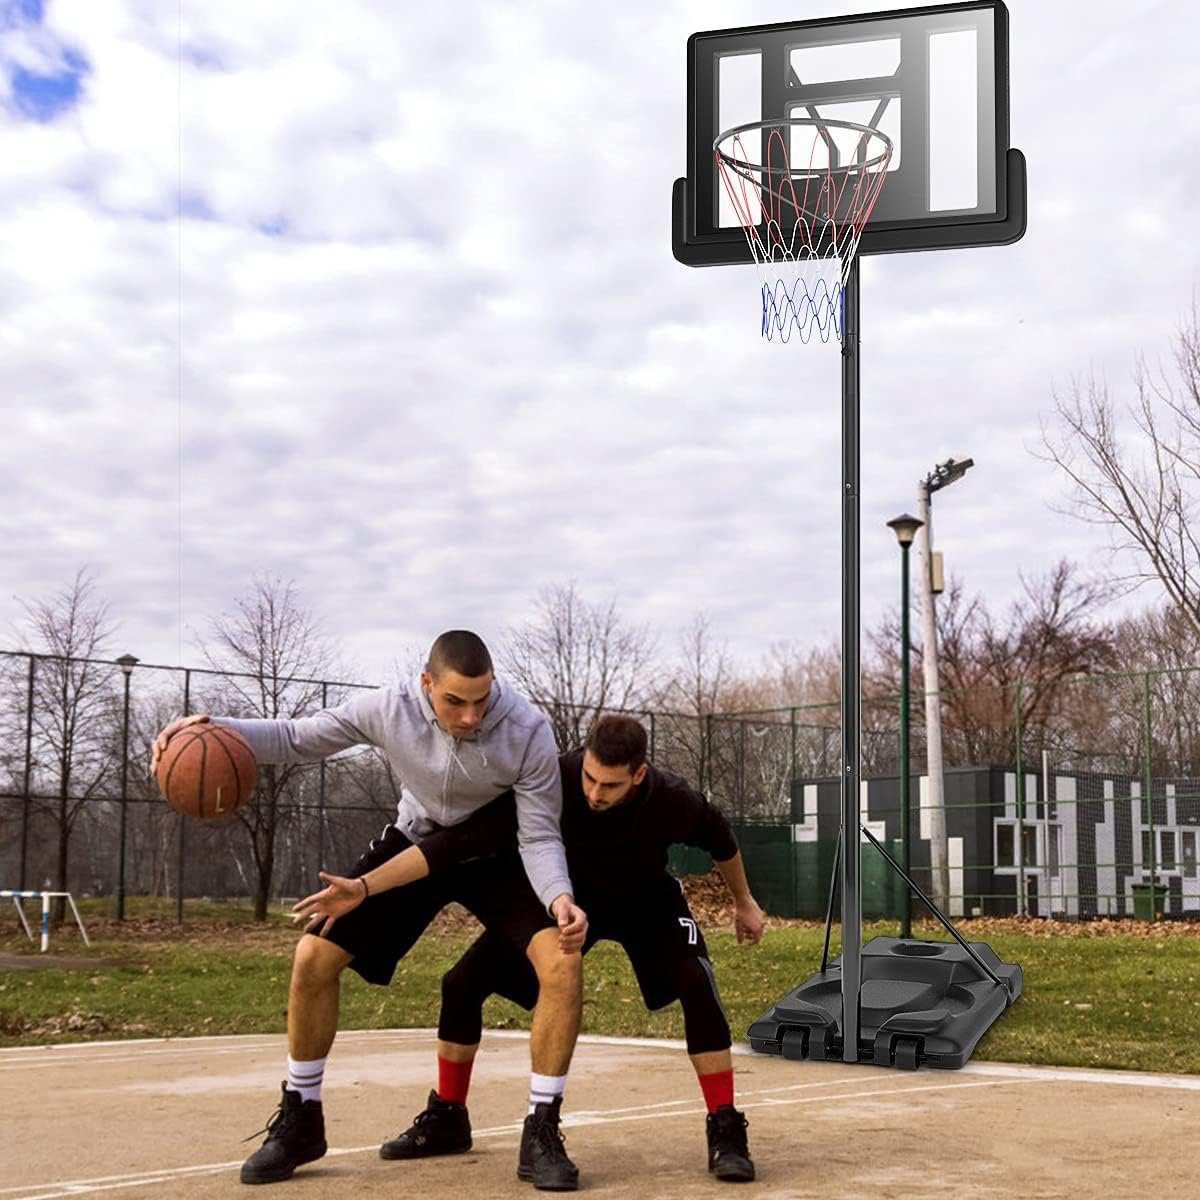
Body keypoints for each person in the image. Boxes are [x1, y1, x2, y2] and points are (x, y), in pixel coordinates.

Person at [151, 631, 587, 1191]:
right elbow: (296, 737)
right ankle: (301, 1118)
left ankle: (543, 1130)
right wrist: (207, 730)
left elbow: (540, 834)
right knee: (312, 956)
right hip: (416, 839)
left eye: (482, 700)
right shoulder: (390, 708)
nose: (470, 715)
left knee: (563, 962)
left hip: (498, 856)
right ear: (426, 684)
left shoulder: (526, 729)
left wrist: (560, 898)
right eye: (455, 701)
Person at [311, 714, 766, 1183]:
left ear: (639, 774)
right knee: (461, 984)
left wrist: (745, 903)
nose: (594, 793)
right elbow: (454, 844)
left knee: (697, 980)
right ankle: (448, 1115)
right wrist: (365, 887)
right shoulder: (553, 779)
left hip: (646, 902)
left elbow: (722, 840)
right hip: (566, 904)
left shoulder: (672, 799)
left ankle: (725, 1126)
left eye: (610, 785)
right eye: (590, 777)